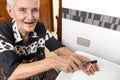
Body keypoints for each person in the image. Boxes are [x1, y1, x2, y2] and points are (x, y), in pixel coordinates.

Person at [0, 0, 99, 80]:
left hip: (40, 71)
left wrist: (79, 61)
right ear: (11, 12)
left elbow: (58, 48)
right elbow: (12, 73)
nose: (30, 17)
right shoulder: (2, 32)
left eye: (34, 10)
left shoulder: (40, 28)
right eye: (22, 10)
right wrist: (54, 61)